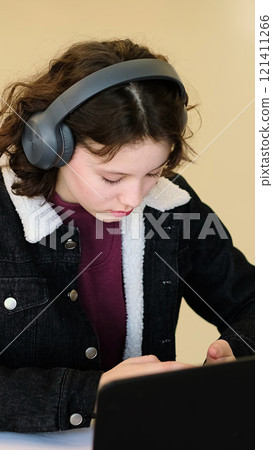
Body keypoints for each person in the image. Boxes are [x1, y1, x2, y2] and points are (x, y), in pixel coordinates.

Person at [0, 39, 254, 433]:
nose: (134, 199)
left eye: (153, 173)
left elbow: (255, 301)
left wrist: (239, 349)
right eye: (112, 177)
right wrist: (92, 393)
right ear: (48, 146)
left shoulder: (172, 206)